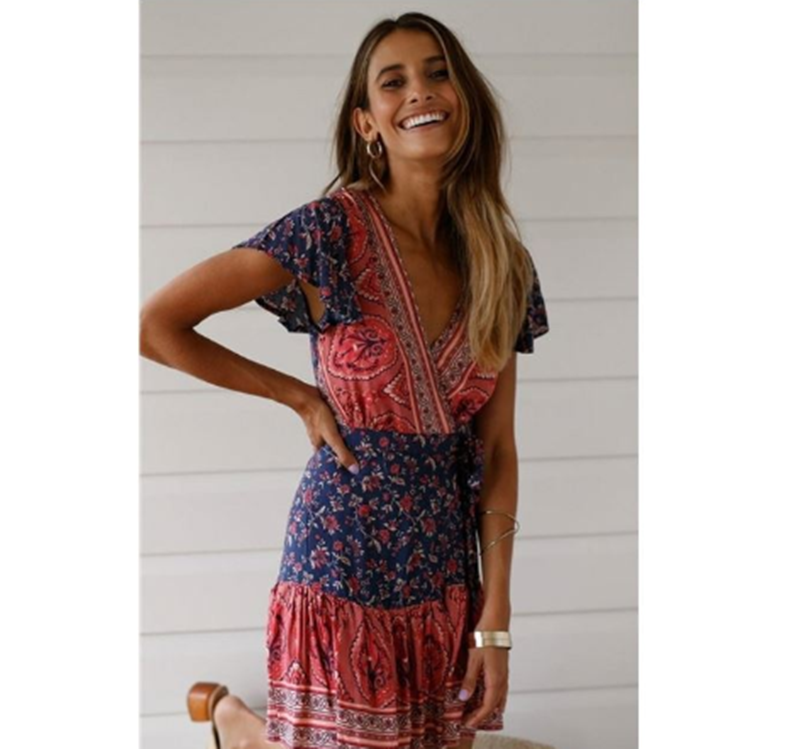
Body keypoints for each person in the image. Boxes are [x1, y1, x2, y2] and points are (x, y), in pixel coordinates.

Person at [140, 11, 549, 749]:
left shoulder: (502, 262)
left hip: (446, 577)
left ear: (465, 98)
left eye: (438, 72)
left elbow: (498, 451)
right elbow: (156, 325)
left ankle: (235, 722)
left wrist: (496, 618)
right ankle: (237, 724)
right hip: (340, 559)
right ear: (367, 123)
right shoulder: (328, 232)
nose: (420, 91)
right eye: (394, 81)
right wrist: (296, 395)